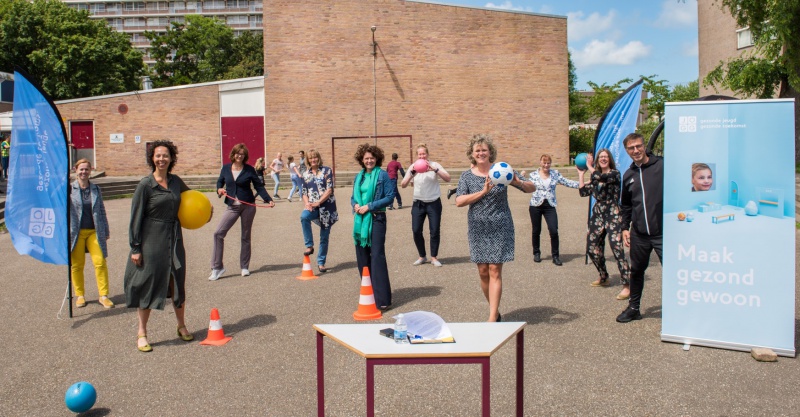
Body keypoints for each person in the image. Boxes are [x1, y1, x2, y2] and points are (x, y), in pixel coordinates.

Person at [124, 140, 204, 352]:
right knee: (147, 283)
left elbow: (191, 200)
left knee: (177, 281)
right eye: (158, 155)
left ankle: (181, 326)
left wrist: (209, 207)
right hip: (151, 240)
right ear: (152, 158)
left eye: (165, 155)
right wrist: (136, 247)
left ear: (171, 158)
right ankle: (142, 333)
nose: (162, 159)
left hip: (174, 239)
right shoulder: (145, 185)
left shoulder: (176, 181)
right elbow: (135, 218)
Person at [455, 134, 535, 322]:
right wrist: (483, 192)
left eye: (484, 150)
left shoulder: (503, 170)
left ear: (490, 152)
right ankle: (495, 311)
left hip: (500, 225)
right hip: (478, 227)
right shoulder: (466, 176)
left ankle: (492, 318)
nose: (481, 153)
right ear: (472, 154)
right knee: (483, 271)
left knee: (494, 270)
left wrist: (517, 182)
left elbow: (532, 188)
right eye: (477, 150)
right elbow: (459, 201)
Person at [617, 133, 664, 323]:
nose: (635, 150)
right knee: (636, 270)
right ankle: (634, 308)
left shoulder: (661, 166)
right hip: (640, 234)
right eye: (631, 148)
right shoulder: (628, 175)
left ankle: (679, 308)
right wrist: (625, 228)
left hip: (663, 233)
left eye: (638, 146)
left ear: (644, 146)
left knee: (673, 271)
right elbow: (626, 206)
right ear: (627, 151)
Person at [210, 143, 274, 281]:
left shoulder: (249, 169)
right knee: (218, 233)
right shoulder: (226, 168)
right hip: (232, 206)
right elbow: (219, 182)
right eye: (237, 153)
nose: (239, 156)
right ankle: (217, 267)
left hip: (248, 206)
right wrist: (219, 190)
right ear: (233, 154)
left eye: (242, 154)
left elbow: (259, 186)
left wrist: (268, 199)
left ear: (245, 156)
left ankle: (244, 267)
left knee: (245, 236)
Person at [578, 150, 631, 300]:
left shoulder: (614, 174)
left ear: (610, 159)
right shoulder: (594, 176)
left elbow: (600, 177)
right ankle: (603, 276)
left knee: (617, 249)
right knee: (592, 248)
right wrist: (581, 175)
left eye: (605, 157)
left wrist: (589, 165)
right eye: (600, 157)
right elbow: (583, 192)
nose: (603, 159)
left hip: (613, 212)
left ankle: (627, 285)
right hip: (598, 214)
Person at [351, 143, 395, 311]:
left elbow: (390, 197)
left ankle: (382, 299)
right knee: (362, 257)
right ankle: (368, 294)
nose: (369, 161)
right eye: (366, 158)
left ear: (376, 159)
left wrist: (370, 206)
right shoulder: (359, 177)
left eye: (372, 158)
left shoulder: (382, 175)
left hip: (376, 219)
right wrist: (355, 205)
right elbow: (353, 197)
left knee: (376, 257)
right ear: (362, 160)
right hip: (360, 220)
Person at [69, 159, 114, 309]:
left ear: (90, 171)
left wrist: (106, 230)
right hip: (76, 232)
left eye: (86, 169)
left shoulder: (96, 189)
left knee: (100, 262)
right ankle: (80, 295)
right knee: (77, 265)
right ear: (76, 170)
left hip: (94, 231)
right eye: (81, 169)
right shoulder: (69, 189)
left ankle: (103, 295)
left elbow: (101, 210)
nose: (84, 172)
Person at [401, 144, 451, 267]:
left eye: (424, 154)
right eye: (420, 154)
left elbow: (448, 178)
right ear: (417, 155)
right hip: (418, 203)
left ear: (427, 154)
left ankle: (434, 257)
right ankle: (422, 256)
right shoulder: (413, 167)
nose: (422, 156)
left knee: (434, 231)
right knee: (416, 230)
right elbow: (403, 184)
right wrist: (412, 174)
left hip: (433, 203)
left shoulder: (435, 165)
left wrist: (435, 170)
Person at [526, 154, 579, 266]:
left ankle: (555, 256)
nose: (546, 165)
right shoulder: (533, 175)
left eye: (548, 163)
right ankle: (536, 253)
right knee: (536, 230)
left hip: (549, 205)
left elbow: (567, 182)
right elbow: (525, 186)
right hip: (535, 205)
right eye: (544, 163)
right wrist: (520, 177)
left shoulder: (555, 174)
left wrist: (582, 185)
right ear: (540, 163)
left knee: (554, 230)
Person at [300, 149, 338, 273]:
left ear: (318, 158)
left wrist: (318, 202)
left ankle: (321, 262)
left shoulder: (326, 170)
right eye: (310, 158)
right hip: (313, 207)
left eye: (315, 157)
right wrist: (307, 204)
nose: (313, 160)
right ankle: (309, 245)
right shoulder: (305, 174)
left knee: (324, 237)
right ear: (308, 160)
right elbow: (304, 192)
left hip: (327, 208)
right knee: (304, 216)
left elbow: (329, 190)